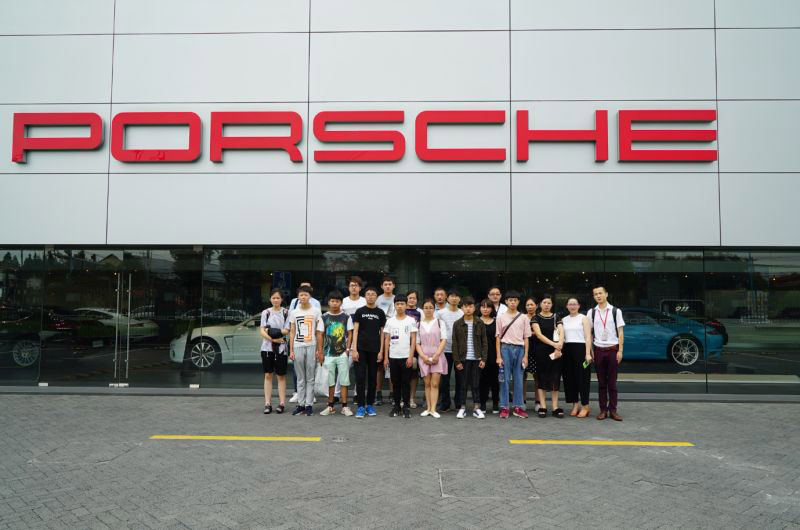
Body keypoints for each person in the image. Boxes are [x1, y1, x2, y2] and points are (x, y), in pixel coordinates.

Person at [587, 285, 625, 421]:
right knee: (601, 383)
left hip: (612, 350)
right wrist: (590, 351)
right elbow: (589, 333)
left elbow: (620, 332)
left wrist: (620, 350)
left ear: (606, 294)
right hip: (598, 350)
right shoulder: (592, 312)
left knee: (612, 384)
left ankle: (613, 410)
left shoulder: (616, 311)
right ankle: (603, 410)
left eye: (600, 293)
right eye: (595, 294)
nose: (598, 296)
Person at [286, 286, 322, 416]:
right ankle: (300, 405)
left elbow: (319, 332)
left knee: (310, 377)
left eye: (306, 295)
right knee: (300, 378)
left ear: (310, 296)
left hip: (312, 345)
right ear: (298, 297)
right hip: (298, 346)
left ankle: (309, 405)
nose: (303, 297)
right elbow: (292, 332)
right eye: (301, 295)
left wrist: (319, 350)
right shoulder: (294, 312)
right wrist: (291, 350)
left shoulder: (316, 311)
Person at [316, 291, 354, 417]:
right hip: (328, 353)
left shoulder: (346, 317)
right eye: (332, 301)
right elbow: (320, 334)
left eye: (337, 301)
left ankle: (344, 406)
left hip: (342, 353)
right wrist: (320, 352)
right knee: (330, 381)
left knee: (344, 381)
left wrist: (347, 349)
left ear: (341, 303)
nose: (335, 303)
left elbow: (350, 333)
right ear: (328, 302)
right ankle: (330, 406)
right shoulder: (324, 317)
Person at [495, 290, 531, 419]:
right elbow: (498, 338)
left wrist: (526, 356)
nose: (513, 302)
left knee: (519, 379)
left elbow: (526, 338)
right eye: (510, 300)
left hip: (520, 349)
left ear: (518, 302)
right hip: (505, 349)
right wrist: (498, 356)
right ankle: (504, 407)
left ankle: (518, 407)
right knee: (504, 379)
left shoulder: (524, 317)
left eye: (515, 300)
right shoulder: (500, 317)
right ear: (506, 302)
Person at [351, 286, 386, 419]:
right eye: (368, 294)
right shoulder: (360, 311)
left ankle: (370, 405)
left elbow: (382, 333)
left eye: (373, 294)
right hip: (360, 349)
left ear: (377, 297)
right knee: (360, 378)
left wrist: (381, 351)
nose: (371, 296)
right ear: (365, 296)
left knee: (372, 379)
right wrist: (354, 349)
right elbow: (355, 331)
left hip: (375, 350)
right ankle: (361, 406)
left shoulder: (380, 312)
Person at [451, 296, 488, 419]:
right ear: (462, 308)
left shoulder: (479, 322)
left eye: (470, 306)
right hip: (463, 359)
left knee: (476, 385)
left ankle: (477, 408)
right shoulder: (457, 324)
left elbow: (484, 342)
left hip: (476, 359)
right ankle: (462, 408)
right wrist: (457, 361)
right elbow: (454, 344)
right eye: (466, 306)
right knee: (463, 385)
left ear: (474, 308)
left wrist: (483, 359)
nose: (468, 309)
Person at [382, 294, 417, 418]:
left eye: (402, 304)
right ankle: (396, 406)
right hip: (393, 357)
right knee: (395, 383)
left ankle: (406, 407)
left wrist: (410, 356)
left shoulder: (411, 320)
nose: (400, 306)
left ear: (406, 305)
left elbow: (413, 339)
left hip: (406, 357)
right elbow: (387, 339)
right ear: (394, 305)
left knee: (406, 383)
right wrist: (386, 357)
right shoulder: (390, 321)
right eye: (397, 304)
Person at [532, 294, 565, 418]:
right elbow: (539, 335)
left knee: (555, 377)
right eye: (544, 302)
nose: (546, 305)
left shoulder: (556, 317)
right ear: (540, 304)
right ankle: (543, 406)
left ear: (552, 304)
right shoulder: (535, 318)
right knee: (542, 377)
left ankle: (555, 407)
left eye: (549, 303)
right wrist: (554, 344)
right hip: (541, 351)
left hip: (556, 352)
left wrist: (559, 345)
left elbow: (561, 331)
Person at [561, 298, 593, 418]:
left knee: (583, 378)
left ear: (579, 305)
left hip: (581, 349)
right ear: (567, 306)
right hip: (567, 350)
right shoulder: (563, 320)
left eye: (575, 304)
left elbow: (588, 336)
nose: (572, 306)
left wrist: (588, 353)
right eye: (570, 304)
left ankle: (585, 406)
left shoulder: (583, 318)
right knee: (570, 378)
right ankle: (575, 404)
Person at [416, 298, 447, 418]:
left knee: (435, 384)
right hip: (423, 356)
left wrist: (436, 355)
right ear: (422, 309)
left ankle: (433, 409)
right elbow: (417, 343)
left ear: (434, 309)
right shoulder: (418, 324)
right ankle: (428, 408)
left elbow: (443, 339)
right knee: (427, 383)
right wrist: (423, 356)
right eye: (426, 308)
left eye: (430, 307)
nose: (428, 310)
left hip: (437, 356)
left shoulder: (440, 322)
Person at [259, 288, 289, 414]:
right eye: (273, 298)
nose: (276, 300)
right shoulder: (266, 312)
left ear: (281, 299)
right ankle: (267, 403)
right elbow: (262, 331)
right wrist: (274, 338)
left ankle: (282, 403)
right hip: (267, 348)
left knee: (281, 376)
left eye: (278, 298)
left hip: (281, 349)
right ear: (270, 299)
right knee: (268, 375)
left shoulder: (286, 312)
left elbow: (286, 330)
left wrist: (270, 330)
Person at [337, 275, 366, 402]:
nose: (354, 288)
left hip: (361, 337)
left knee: (360, 369)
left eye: (356, 285)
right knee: (344, 367)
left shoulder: (364, 301)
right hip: (345, 338)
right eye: (352, 285)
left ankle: (357, 394)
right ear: (348, 288)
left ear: (360, 287)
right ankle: (337, 394)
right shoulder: (343, 302)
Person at [437, 290, 463, 412]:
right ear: (447, 298)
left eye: (457, 296)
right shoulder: (440, 313)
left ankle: (459, 402)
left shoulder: (462, 313)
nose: (454, 298)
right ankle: (445, 402)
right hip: (444, 349)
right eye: (452, 296)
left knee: (460, 378)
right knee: (444, 378)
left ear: (459, 299)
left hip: (459, 350)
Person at [375, 276, 396, 405]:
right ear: (382, 286)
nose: (388, 286)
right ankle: (378, 394)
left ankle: (393, 394)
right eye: (385, 284)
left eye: (390, 284)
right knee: (379, 366)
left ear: (394, 286)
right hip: (379, 334)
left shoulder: (397, 299)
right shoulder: (377, 299)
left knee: (391, 365)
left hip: (394, 335)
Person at [478, 299, 500, 414]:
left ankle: (496, 403)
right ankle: (482, 403)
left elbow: (498, 340)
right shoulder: (476, 321)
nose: (485, 309)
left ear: (492, 309)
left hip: (494, 355)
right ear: (480, 308)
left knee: (495, 381)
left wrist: (499, 356)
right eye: (483, 307)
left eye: (488, 307)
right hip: (480, 356)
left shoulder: (496, 322)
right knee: (482, 381)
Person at [405, 290, 422, 409]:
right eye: (410, 298)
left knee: (414, 373)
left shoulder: (420, 312)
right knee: (403, 373)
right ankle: (403, 398)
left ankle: (412, 398)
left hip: (416, 345)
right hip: (402, 345)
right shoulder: (401, 310)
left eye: (414, 298)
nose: (412, 300)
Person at [523, 297, 540, 410]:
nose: (529, 307)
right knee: (522, 376)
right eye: (527, 305)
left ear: (536, 306)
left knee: (537, 376)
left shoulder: (539, 317)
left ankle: (538, 402)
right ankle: (522, 401)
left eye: (532, 304)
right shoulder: (522, 317)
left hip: (537, 349)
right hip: (523, 349)